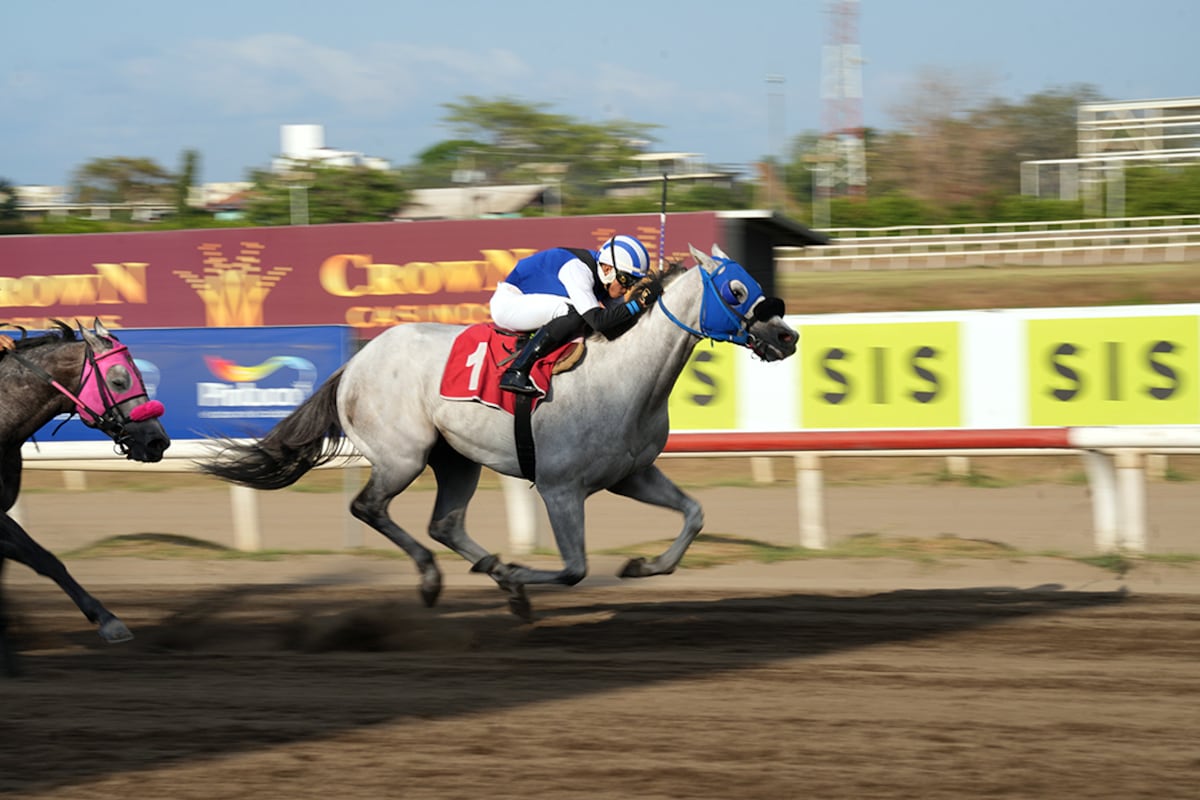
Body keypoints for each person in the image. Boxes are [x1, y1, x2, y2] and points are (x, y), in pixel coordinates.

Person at [490, 234, 662, 395]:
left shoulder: (607, 279)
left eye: (635, 281)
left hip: (533, 304)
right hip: (509, 304)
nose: (629, 288)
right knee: (576, 313)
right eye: (627, 279)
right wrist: (640, 302)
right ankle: (516, 370)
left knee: (583, 314)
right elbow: (598, 322)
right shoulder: (577, 270)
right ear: (608, 269)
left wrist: (643, 307)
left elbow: (612, 328)